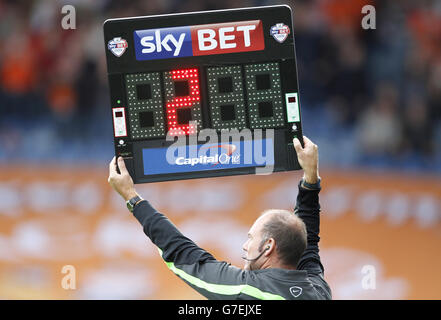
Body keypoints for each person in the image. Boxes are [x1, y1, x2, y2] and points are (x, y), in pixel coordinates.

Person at [108, 136, 332, 300]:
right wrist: (310, 179)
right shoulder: (317, 290)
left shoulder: (251, 291)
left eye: (250, 237)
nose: (244, 246)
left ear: (268, 246)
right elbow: (308, 240)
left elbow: (183, 255)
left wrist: (132, 198)